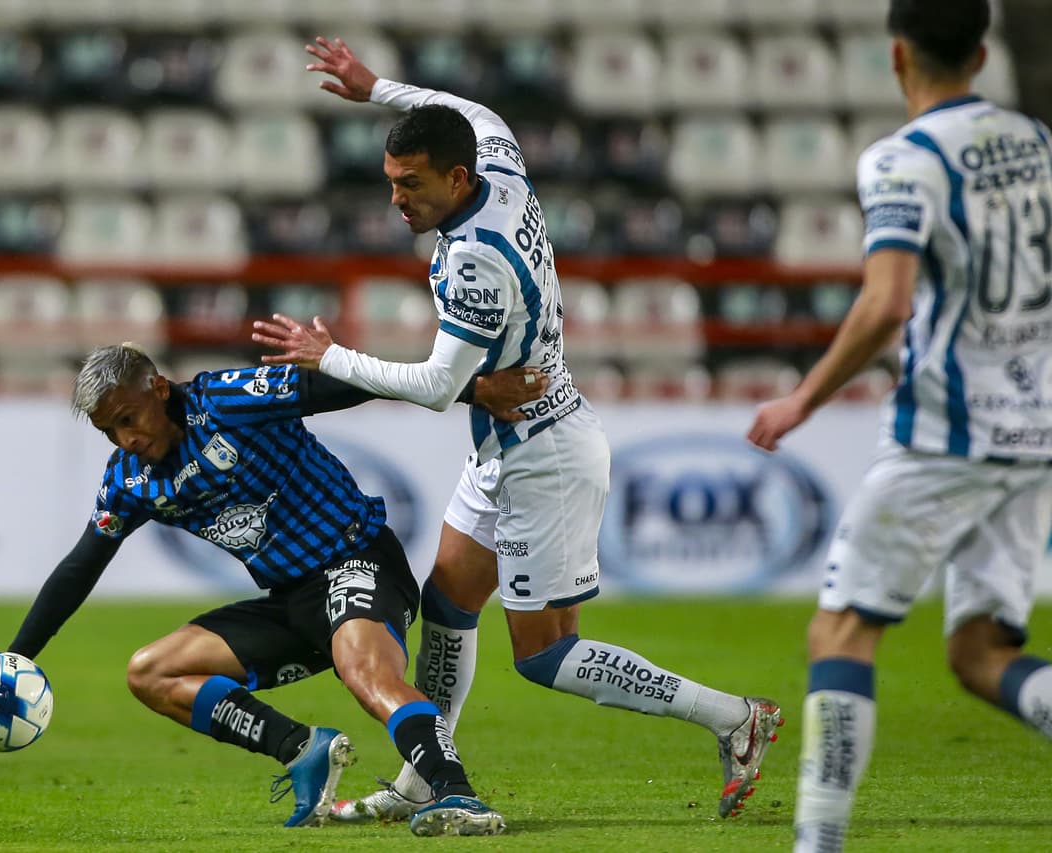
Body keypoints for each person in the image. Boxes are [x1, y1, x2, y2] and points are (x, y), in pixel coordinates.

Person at [253, 37, 783, 824]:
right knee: (448, 599)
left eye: (412, 184)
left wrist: (333, 355)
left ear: (457, 178)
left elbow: (435, 386)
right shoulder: (496, 163)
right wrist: (376, 89)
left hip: (546, 456)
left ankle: (734, 716)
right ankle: (423, 775)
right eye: (391, 181)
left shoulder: (474, 259)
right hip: (508, 445)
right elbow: (477, 110)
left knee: (543, 654)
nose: (397, 199)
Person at [0, 343, 542, 836]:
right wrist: (17, 658)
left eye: (128, 420)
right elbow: (79, 568)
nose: (125, 440)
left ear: (159, 391)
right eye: (108, 431)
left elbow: (344, 388)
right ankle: (301, 748)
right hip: (289, 601)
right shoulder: (129, 480)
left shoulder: (227, 399)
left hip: (355, 562)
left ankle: (456, 792)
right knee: (150, 672)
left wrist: (472, 388)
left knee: (366, 673)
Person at [745, 2, 1052, 850]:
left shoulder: (902, 159)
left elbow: (887, 303)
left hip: (947, 432)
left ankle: (818, 841)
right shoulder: (1035, 142)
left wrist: (803, 398)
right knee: (979, 653)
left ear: (896, 56)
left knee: (841, 629)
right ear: (983, 53)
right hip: (1035, 433)